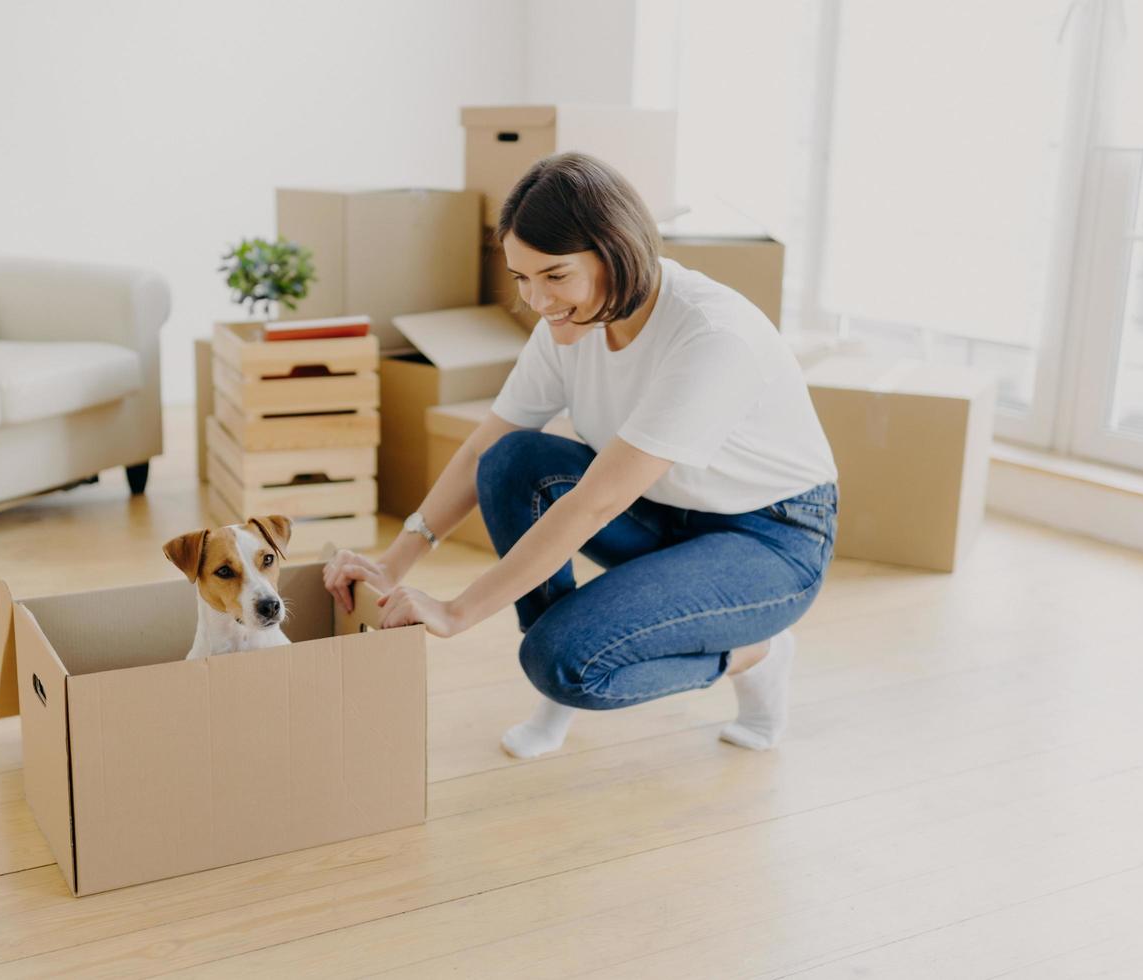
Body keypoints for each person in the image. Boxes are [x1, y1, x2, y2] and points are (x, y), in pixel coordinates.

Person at [323, 152, 838, 759]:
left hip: (769, 541)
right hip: (665, 511)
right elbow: (484, 447)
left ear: (616, 250)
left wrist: (458, 611)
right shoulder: (569, 324)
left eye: (555, 276)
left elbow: (596, 501)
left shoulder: (710, 337)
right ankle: (567, 644)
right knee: (511, 462)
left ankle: (756, 652)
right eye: (521, 278)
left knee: (565, 664)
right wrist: (394, 564)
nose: (536, 301)